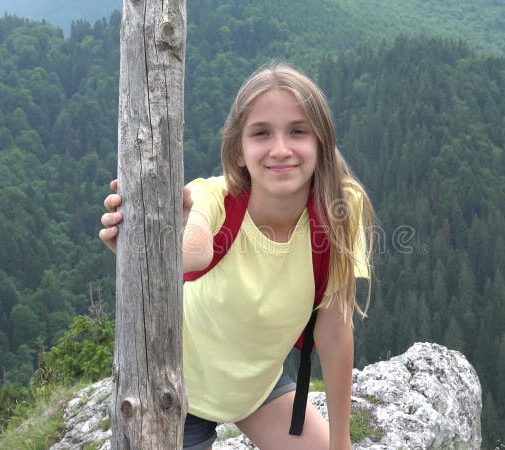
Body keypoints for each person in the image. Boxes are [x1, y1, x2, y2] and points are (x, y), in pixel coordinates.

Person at [99, 62, 375, 450]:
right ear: (239, 151)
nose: (281, 149)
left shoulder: (341, 209)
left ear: (321, 143)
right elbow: (193, 249)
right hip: (175, 391)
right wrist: (141, 251)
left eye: (298, 131)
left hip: (258, 389)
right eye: (261, 133)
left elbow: (333, 331)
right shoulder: (212, 196)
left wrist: (340, 441)